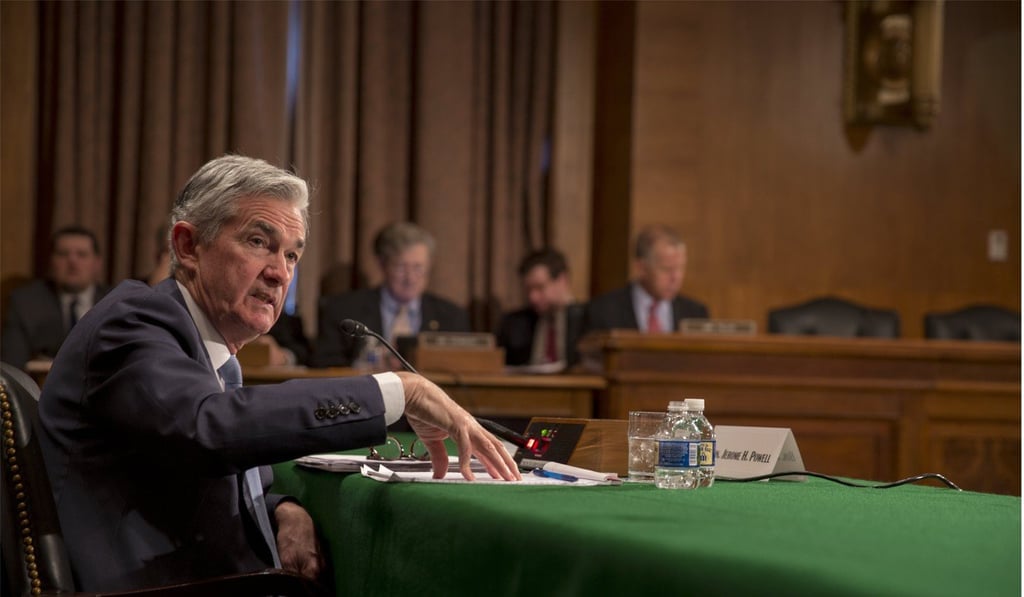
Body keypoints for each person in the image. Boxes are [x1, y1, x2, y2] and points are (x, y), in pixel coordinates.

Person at [37, 155, 520, 593]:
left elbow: (194, 469)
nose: (280, 273)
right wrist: (398, 391)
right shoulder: (135, 322)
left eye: (291, 254)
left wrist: (279, 511)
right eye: (258, 242)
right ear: (188, 246)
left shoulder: (208, 348)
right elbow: (209, 428)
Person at [312, 221, 471, 368]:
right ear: (383, 265)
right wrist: (363, 366)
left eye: (418, 267)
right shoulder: (343, 311)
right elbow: (323, 366)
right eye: (401, 267)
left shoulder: (452, 317)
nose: (410, 278)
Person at [1, 225, 110, 370]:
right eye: (63, 254)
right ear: (51, 261)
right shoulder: (24, 302)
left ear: (97, 263)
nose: (72, 262)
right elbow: (12, 365)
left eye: (82, 254)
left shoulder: (116, 301)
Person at [583, 225, 708, 333]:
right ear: (641, 268)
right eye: (667, 269)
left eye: (680, 268)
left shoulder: (696, 314)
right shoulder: (603, 311)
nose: (675, 277)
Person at [497, 248, 584, 369]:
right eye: (528, 290)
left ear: (562, 280)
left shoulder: (587, 320)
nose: (532, 297)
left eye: (539, 287)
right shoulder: (514, 323)